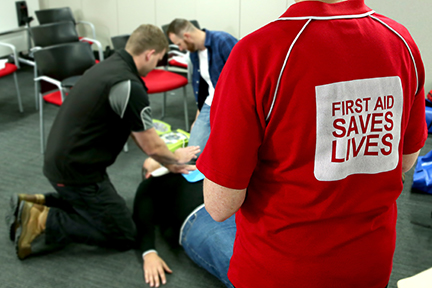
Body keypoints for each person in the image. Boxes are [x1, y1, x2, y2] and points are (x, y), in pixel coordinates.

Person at [197, 1, 427, 288]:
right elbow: (404, 160)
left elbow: (220, 205)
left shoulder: (258, 53)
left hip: (280, 270)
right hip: (371, 262)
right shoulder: (402, 42)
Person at [6, 24, 200, 260]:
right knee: (124, 234)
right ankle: (43, 219)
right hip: (77, 173)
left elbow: (135, 129)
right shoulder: (128, 85)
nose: (157, 65)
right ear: (149, 54)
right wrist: (174, 159)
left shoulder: (108, 65)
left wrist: (162, 153)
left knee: (109, 209)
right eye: (158, 59)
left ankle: (42, 201)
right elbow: (150, 146)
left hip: (63, 161)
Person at [133, 158, 235, 288]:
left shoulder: (194, 163)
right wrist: (149, 253)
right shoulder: (151, 183)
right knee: (239, 260)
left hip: (234, 202)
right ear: (147, 173)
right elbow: (141, 219)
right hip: (199, 217)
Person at [166, 19, 237, 154]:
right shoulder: (194, 53)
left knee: (228, 151)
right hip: (211, 103)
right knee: (194, 151)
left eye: (179, 44)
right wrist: (198, 118)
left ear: (187, 36)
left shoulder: (223, 41)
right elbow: (205, 89)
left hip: (232, 105)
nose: (180, 49)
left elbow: (246, 78)